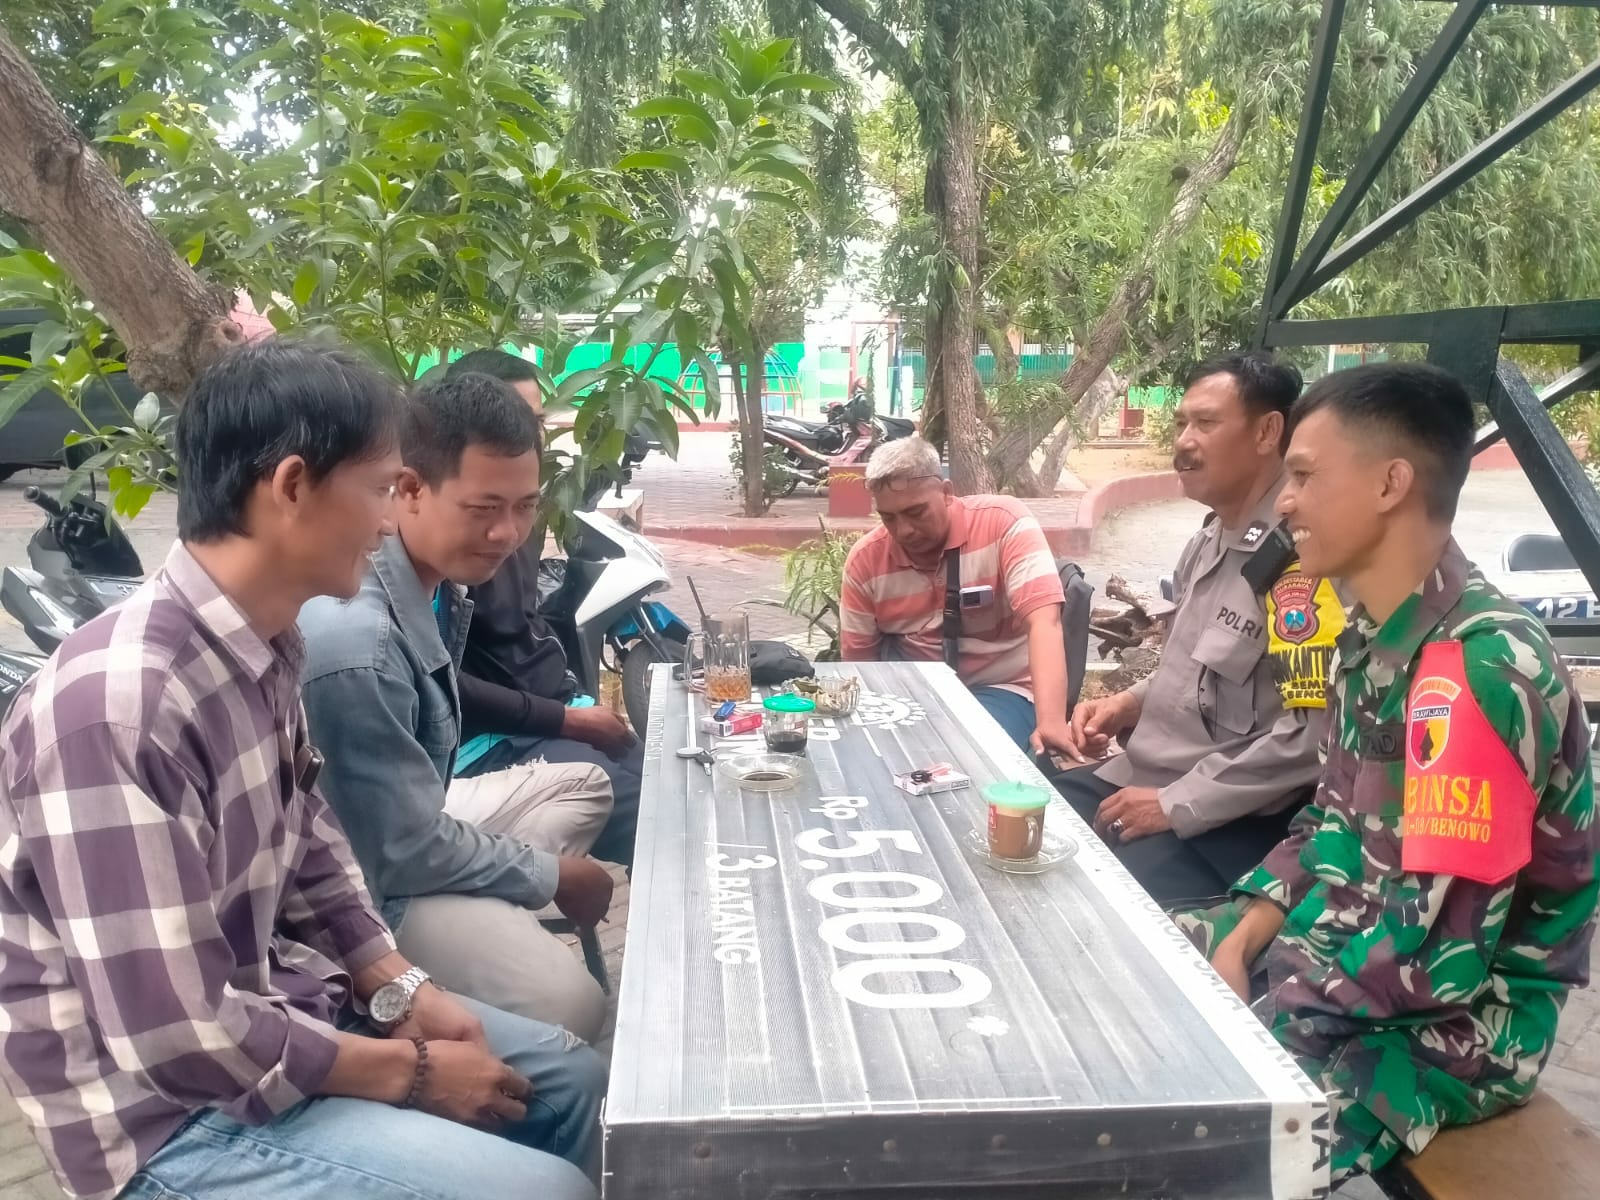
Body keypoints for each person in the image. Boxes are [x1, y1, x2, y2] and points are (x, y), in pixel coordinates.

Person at [0, 341, 604, 1200]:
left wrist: (400, 985)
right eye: (381, 490)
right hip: (164, 1121)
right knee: (543, 1189)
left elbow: (313, 846)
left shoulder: (267, 643)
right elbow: (173, 1034)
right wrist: (410, 1073)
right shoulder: (117, 711)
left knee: (571, 1085)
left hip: (276, 1012)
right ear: (291, 486)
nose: (389, 522)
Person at [1177, 362, 1598, 1181]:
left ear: (1390, 484)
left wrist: (1257, 998)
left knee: (1198, 1155)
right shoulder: (1373, 637)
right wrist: (1244, 933)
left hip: (1448, 1030)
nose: (1284, 502)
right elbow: (1330, 823)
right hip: (1345, 961)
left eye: (1304, 476)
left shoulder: (1476, 672)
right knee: (1133, 972)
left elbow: (1433, 960)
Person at [299, 370, 616, 1042]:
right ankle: (481, 927)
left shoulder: (435, 584)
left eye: (525, 506)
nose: (507, 532)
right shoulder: (361, 643)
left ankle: (486, 904)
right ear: (410, 489)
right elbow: (395, 855)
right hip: (370, 887)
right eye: (483, 508)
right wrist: (548, 875)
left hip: (415, 817)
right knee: (574, 1007)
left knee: (588, 783)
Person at [1050, 352, 1340, 905]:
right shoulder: (1209, 541)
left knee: (1088, 903)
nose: (1184, 441)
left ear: (1268, 432)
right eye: (1181, 423)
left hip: (1228, 819)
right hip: (1142, 777)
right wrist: (1128, 703)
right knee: (1017, 822)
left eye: (1205, 423)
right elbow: (1194, 669)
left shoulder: (1300, 563)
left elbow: (1313, 736)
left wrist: (1177, 803)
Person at [444, 349, 642, 871]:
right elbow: (437, 680)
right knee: (666, 820)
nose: (505, 531)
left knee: (682, 782)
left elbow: (525, 625)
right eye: (485, 508)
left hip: (548, 712)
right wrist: (565, 719)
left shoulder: (518, 515)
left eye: (534, 423)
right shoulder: (426, 563)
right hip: (491, 742)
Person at [839, 436, 1070, 754]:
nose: (904, 530)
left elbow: (1044, 622)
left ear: (947, 493)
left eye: (916, 512)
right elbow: (860, 665)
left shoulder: (1004, 524)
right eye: (888, 518)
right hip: (913, 696)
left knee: (967, 751)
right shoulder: (866, 561)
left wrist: (1052, 722)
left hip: (1002, 689)